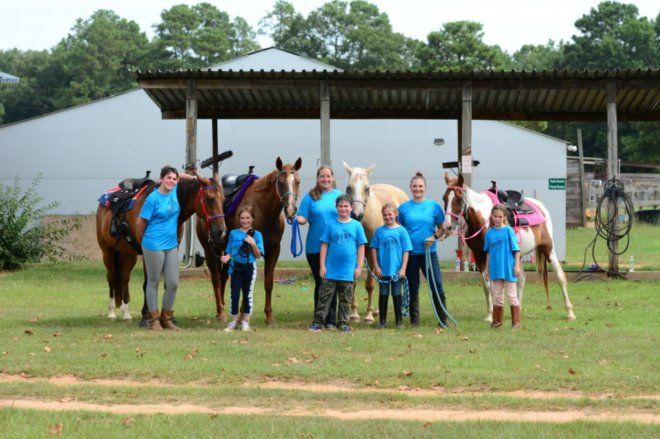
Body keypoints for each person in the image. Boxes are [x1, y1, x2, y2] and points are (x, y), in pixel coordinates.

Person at [137, 165, 194, 331]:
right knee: (153, 282)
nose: (172, 181)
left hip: (171, 245)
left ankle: (166, 318)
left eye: (174, 179)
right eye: (168, 178)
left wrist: (194, 178)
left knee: (173, 282)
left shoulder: (174, 192)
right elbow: (140, 224)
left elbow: (182, 176)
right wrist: (149, 241)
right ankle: (153, 320)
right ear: (161, 179)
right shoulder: (152, 199)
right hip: (154, 244)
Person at [309, 195, 367, 333]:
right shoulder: (330, 224)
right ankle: (318, 322)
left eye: (346, 206)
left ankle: (343, 323)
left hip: (348, 271)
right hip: (331, 271)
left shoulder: (357, 226)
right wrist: (322, 265)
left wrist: (359, 267)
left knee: (345, 300)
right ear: (336, 208)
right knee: (324, 298)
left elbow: (361, 247)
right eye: (340, 206)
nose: (343, 209)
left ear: (351, 208)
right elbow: (324, 245)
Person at [398, 172, 448, 327]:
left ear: (425, 188)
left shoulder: (434, 206)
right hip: (411, 255)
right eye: (415, 186)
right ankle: (414, 320)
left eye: (420, 186)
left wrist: (433, 237)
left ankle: (443, 319)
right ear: (410, 188)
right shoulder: (403, 208)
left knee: (437, 286)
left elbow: (443, 229)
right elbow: (399, 229)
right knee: (413, 288)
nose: (417, 189)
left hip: (429, 254)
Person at [296, 166, 342, 329]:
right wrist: (297, 219)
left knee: (333, 282)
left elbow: (347, 216)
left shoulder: (339, 196)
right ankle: (319, 318)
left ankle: (331, 320)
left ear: (333, 178)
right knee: (321, 282)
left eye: (328, 176)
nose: (325, 179)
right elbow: (302, 216)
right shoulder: (310, 197)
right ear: (317, 178)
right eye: (322, 176)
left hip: (336, 247)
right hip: (315, 247)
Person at [221, 206, 264, 332]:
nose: (245, 221)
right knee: (234, 294)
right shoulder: (233, 233)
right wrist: (226, 257)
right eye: (242, 218)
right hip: (235, 268)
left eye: (248, 218)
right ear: (239, 219)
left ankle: (246, 321)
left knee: (247, 295)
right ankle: (234, 321)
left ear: (252, 219)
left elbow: (259, 255)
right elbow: (229, 251)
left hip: (249, 267)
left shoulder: (257, 235)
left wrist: (253, 243)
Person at [370, 203, 412, 329]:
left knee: (396, 293)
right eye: (385, 215)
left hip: (397, 271)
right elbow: (373, 248)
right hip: (383, 271)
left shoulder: (402, 231)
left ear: (396, 214)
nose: (387, 217)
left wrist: (403, 268)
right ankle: (382, 321)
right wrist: (376, 266)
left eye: (390, 214)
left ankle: (399, 321)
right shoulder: (379, 231)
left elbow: (406, 250)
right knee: (383, 293)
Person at [483, 204, 522, 329]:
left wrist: (517, 266)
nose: (497, 219)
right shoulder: (489, 233)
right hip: (495, 270)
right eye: (495, 216)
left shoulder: (509, 231)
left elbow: (516, 250)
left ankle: (516, 322)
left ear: (504, 217)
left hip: (508, 269)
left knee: (512, 295)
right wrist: (487, 269)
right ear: (491, 216)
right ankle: (497, 322)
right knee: (497, 296)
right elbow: (488, 252)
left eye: (500, 217)